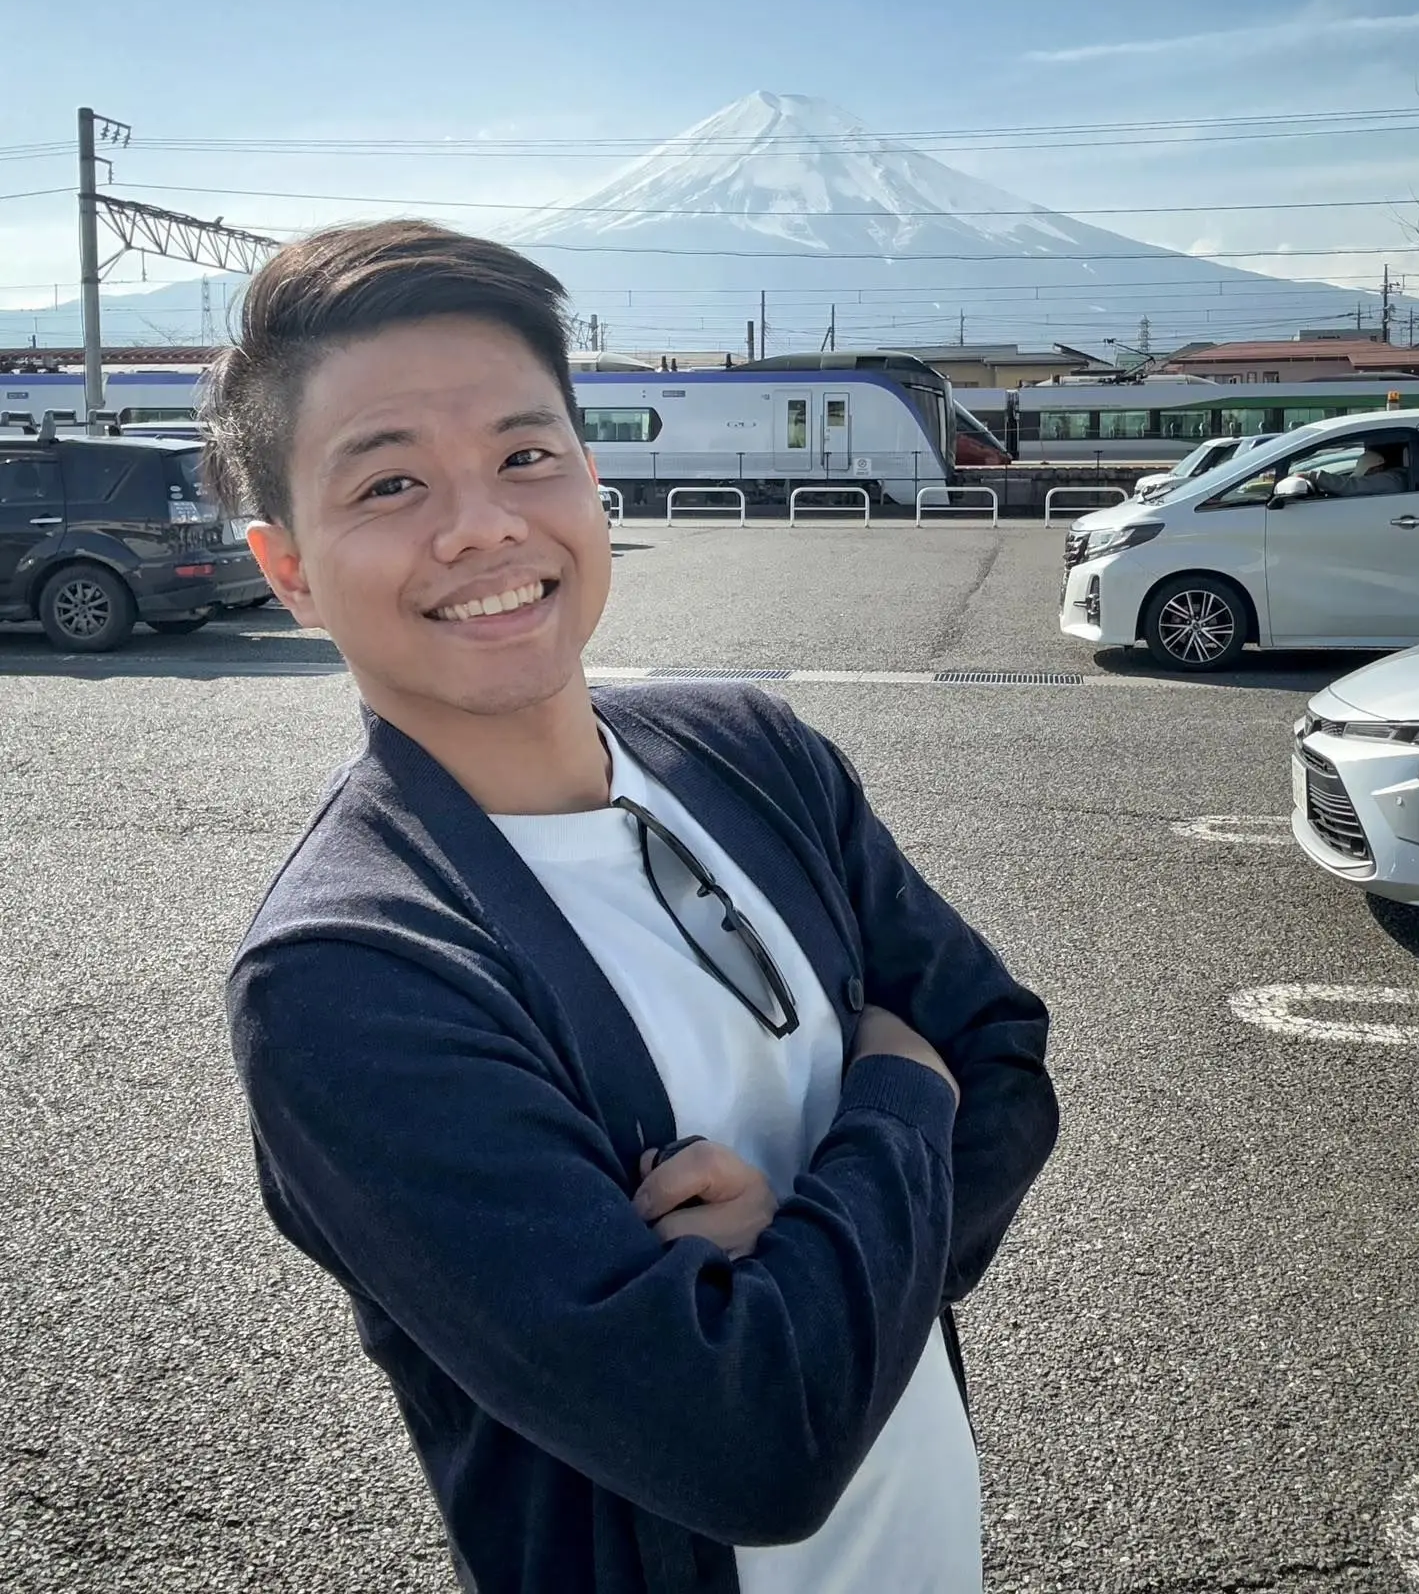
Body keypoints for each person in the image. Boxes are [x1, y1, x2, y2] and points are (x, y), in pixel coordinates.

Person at [206, 220, 1058, 1594]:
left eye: (525, 456)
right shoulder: (349, 975)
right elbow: (749, 1446)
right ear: (289, 567)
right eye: (390, 483)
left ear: (591, 478)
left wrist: (793, 1265)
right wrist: (901, 1099)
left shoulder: (750, 752)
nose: (484, 524)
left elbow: (1005, 1058)